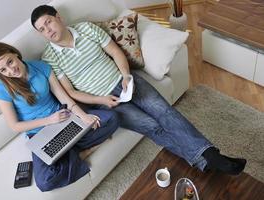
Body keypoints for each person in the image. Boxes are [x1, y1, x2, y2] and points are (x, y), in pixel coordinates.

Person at [31, 5, 247, 175]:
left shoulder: (86, 28)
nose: (48, 31)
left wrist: (126, 76)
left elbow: (116, 53)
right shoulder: (50, 58)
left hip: (125, 82)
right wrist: (102, 100)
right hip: (104, 101)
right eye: (41, 30)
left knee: (164, 112)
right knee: (152, 126)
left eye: (48, 22)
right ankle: (206, 159)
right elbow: (71, 93)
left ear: (58, 17)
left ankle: (210, 156)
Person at [0, 42, 120, 192]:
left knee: (112, 118)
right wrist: (49, 120)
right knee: (44, 181)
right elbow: (14, 126)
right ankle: (83, 153)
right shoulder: (2, 89)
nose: (11, 70)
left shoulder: (41, 67)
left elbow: (63, 97)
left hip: (64, 118)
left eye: (9, 61)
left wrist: (83, 115)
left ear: (15, 53)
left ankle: (68, 153)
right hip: (38, 133)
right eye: (3, 70)